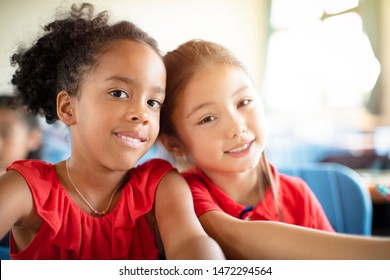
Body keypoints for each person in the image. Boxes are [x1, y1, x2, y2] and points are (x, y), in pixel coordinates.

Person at [0, 4, 224, 260]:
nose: (141, 114)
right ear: (68, 107)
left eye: (153, 102)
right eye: (119, 93)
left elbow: (192, 242)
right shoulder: (25, 188)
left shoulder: (162, 186)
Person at [159, 39, 390, 259]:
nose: (237, 127)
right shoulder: (181, 198)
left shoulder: (298, 195)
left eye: (243, 102)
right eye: (208, 118)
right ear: (174, 143)